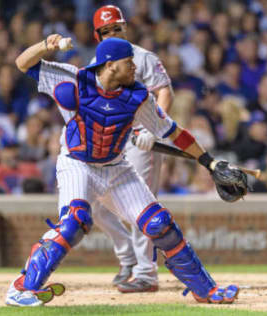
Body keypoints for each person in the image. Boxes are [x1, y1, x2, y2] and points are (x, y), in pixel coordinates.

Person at [5, 35, 242, 306]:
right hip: (77, 163)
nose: (135, 67)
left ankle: (206, 290)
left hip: (116, 168)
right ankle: (22, 288)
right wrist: (46, 46)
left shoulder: (138, 96)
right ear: (110, 65)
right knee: (75, 220)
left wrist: (209, 162)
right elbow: (23, 63)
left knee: (159, 224)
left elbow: (173, 132)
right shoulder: (73, 80)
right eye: (128, 62)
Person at [88, 5, 174, 293]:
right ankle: (127, 257)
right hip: (110, 142)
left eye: (116, 28)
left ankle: (146, 272)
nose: (112, 33)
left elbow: (164, 91)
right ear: (97, 34)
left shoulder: (143, 57)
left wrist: (154, 128)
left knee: (140, 206)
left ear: (125, 28)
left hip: (141, 138)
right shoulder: (94, 63)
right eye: (106, 30)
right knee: (94, 202)